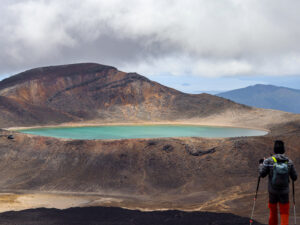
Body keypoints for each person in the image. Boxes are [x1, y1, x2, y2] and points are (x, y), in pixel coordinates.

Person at [259, 140, 297, 225]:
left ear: (274, 149)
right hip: (284, 192)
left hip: (272, 192)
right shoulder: (289, 162)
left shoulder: (269, 161)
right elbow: (294, 177)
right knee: (284, 213)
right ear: (283, 149)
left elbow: (262, 174)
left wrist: (261, 164)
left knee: (273, 212)